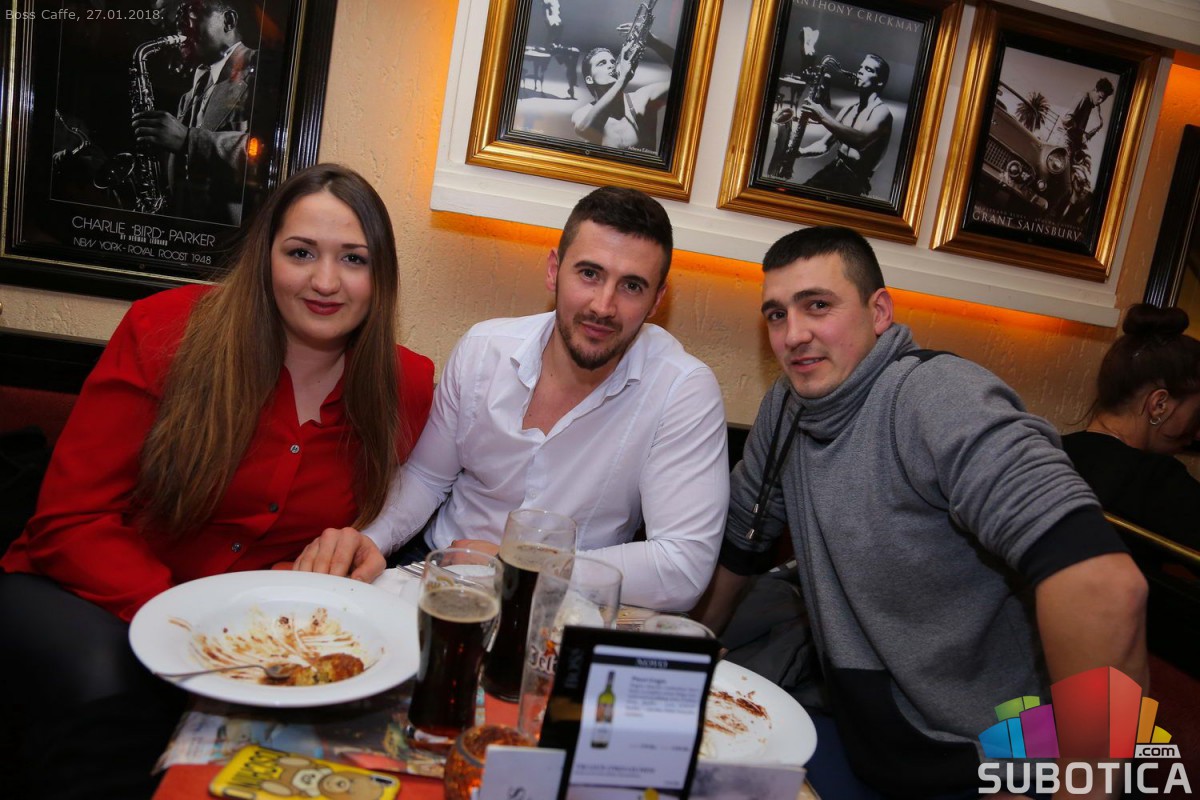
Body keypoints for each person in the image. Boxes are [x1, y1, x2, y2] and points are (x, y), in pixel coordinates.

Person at [0, 163, 434, 799]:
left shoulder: (407, 386)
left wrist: (356, 546)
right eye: (301, 253)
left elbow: (408, 508)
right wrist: (189, 616)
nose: (325, 281)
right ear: (264, 258)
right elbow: (68, 521)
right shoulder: (164, 332)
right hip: (88, 596)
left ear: (381, 278)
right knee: (116, 697)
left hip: (253, 634)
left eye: (354, 259)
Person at [694, 226, 1147, 798]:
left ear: (879, 312)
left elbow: (1107, 587)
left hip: (990, 761)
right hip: (871, 744)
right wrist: (686, 653)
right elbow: (743, 542)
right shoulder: (786, 406)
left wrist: (1086, 785)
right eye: (777, 315)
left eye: (818, 305)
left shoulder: (937, 397)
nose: (794, 334)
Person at [295, 186, 729, 611]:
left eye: (632, 286)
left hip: (570, 601)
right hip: (437, 571)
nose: (603, 305)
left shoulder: (682, 389)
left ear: (656, 301)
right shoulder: (484, 349)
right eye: (589, 274)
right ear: (554, 271)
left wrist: (522, 566)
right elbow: (427, 477)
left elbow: (683, 567)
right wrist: (371, 539)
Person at [1062, 303, 1200, 550]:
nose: (1197, 432)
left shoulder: (1051, 451)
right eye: (1197, 414)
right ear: (1159, 404)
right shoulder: (1158, 479)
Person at [133, 0, 257, 224]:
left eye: (190, 11)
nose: (178, 24)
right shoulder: (189, 96)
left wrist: (188, 140)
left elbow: (269, 151)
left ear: (228, 21)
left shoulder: (261, 71)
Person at [789, 53, 893, 197]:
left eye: (868, 69)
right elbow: (824, 145)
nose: (860, 71)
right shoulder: (848, 109)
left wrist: (822, 116)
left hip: (854, 181)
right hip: (834, 170)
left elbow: (860, 140)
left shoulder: (882, 113)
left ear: (880, 82)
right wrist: (800, 151)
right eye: (861, 67)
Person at [570, 27, 673, 152]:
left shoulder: (642, 98)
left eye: (612, 62)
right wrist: (622, 80)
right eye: (602, 63)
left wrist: (654, 42)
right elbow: (584, 130)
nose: (611, 66)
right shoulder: (583, 112)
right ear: (589, 79)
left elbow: (687, 77)